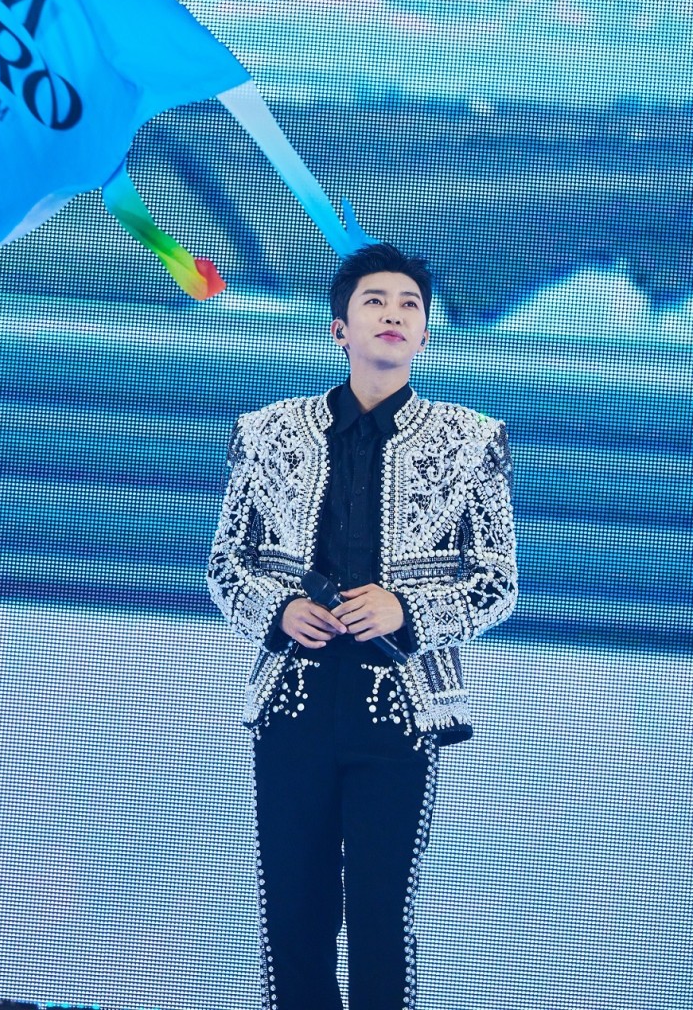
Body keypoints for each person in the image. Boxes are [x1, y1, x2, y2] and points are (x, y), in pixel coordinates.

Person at [207, 243, 518, 1010]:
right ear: (339, 329)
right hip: (292, 705)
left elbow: (496, 583)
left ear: (425, 336)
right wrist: (277, 611)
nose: (393, 314)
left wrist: (406, 610)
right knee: (292, 917)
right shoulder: (266, 431)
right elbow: (225, 566)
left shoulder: (472, 440)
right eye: (374, 301)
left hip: (399, 710)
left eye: (409, 304)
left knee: (380, 919)